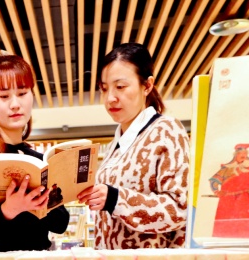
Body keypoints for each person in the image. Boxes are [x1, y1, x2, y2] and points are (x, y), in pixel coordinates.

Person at [77, 43, 189, 249]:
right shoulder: (115, 144)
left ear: (147, 86)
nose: (110, 98)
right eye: (104, 88)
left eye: (120, 87)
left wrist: (115, 199)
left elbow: (179, 209)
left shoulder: (167, 130)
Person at [0, 54, 69, 252]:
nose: (15, 104)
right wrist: (8, 210)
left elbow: (61, 224)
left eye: (22, 93)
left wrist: (44, 201)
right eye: (4, 96)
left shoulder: (40, 160)